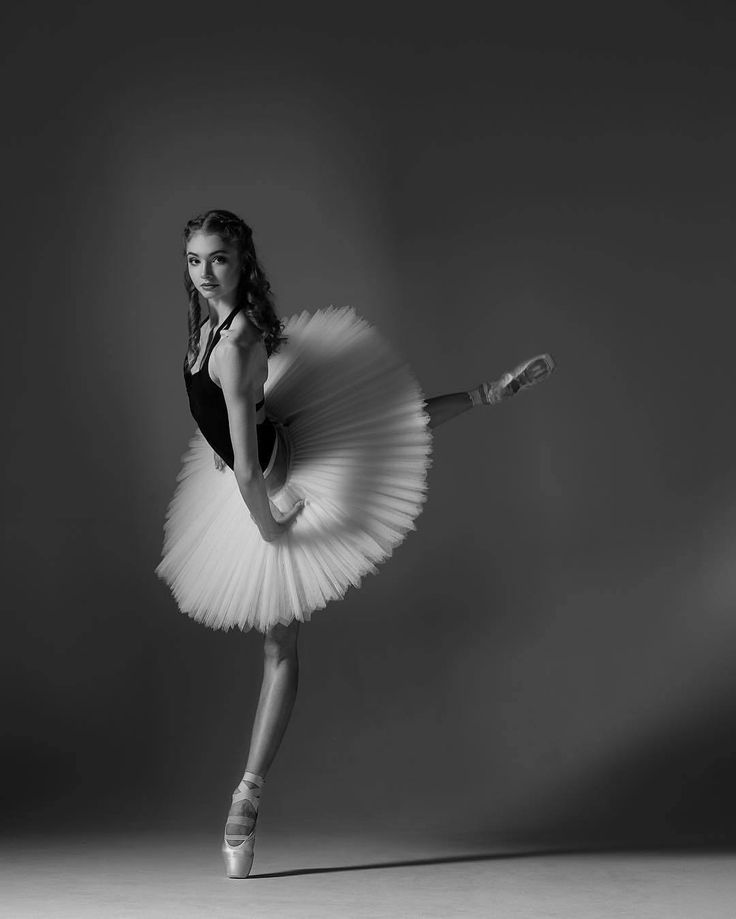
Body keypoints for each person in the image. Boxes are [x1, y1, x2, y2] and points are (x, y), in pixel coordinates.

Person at [155, 208, 554, 878]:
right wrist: (236, 440)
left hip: (272, 482)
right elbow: (227, 430)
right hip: (268, 445)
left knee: (280, 647)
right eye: (194, 260)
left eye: (218, 259)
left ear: (241, 260)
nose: (204, 274)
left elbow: (251, 471)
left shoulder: (235, 341)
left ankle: (245, 800)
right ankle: (486, 392)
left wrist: (272, 526)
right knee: (384, 426)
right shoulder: (208, 328)